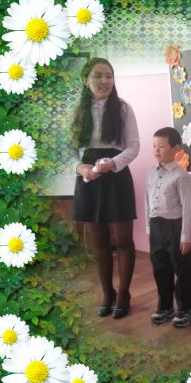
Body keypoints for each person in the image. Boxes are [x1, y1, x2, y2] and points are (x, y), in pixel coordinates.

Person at [72, 58, 139, 319]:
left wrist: (113, 163)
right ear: (85, 80)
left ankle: (123, 293)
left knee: (123, 241)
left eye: (109, 75)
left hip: (116, 176)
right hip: (89, 177)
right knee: (99, 242)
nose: (104, 81)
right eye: (98, 76)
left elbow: (133, 146)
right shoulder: (77, 111)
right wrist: (81, 168)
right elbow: (66, 151)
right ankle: (107, 293)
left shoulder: (123, 108)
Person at [145, 127, 191, 328]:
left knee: (181, 269)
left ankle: (186, 308)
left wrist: (186, 236)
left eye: (161, 146)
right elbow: (147, 201)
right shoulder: (150, 173)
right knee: (160, 268)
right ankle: (165, 306)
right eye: (154, 146)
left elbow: (187, 207)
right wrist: (149, 227)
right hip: (156, 225)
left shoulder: (181, 175)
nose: (156, 150)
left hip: (175, 226)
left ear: (175, 149)